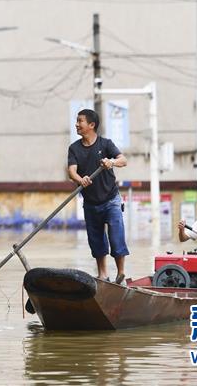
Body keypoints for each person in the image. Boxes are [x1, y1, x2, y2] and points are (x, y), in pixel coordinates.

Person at [67, 109, 129, 283]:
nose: (77, 124)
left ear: (92, 125)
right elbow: (72, 172)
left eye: (80, 121)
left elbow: (123, 160)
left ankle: (120, 273)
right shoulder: (74, 148)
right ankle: (103, 274)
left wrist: (111, 162)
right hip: (91, 203)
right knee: (96, 240)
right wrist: (81, 180)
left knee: (116, 236)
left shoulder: (105, 144)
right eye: (77, 121)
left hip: (111, 200)